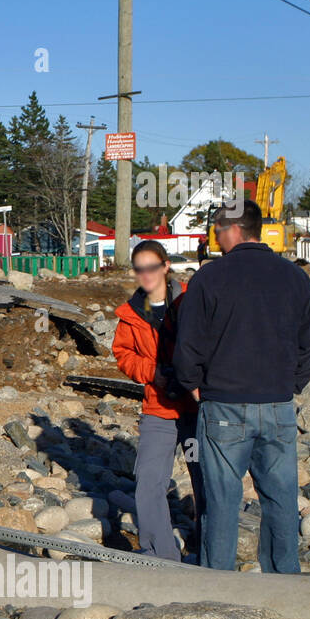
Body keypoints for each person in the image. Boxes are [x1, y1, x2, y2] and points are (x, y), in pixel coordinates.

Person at [173, 200, 310, 572]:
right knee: (281, 499)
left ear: (232, 229)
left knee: (221, 500)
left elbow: (187, 343)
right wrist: (293, 384)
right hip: (277, 405)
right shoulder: (294, 276)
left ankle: (218, 588)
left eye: (218, 231)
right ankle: (283, 581)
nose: (217, 239)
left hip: (223, 405)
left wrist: (193, 385)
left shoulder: (209, 277)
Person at [112, 240, 202, 561]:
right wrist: (152, 372)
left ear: (165, 266)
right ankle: (162, 558)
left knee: (205, 478)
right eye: (140, 268)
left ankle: (210, 551)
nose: (146, 274)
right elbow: (123, 355)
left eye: (152, 266)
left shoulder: (194, 299)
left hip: (197, 408)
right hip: (159, 408)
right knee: (149, 483)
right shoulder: (132, 314)